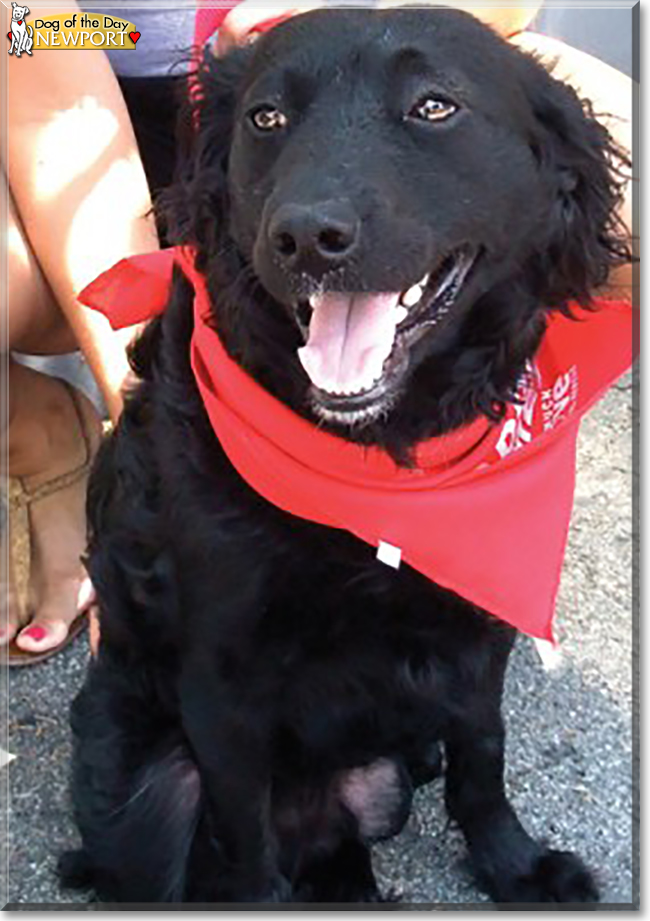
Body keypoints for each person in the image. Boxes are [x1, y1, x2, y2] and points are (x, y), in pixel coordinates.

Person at [1, 0, 634, 664]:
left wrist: (379, 16)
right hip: (134, 109)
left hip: (389, 87)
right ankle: (41, 436)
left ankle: (465, 475)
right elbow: (39, 70)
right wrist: (143, 430)